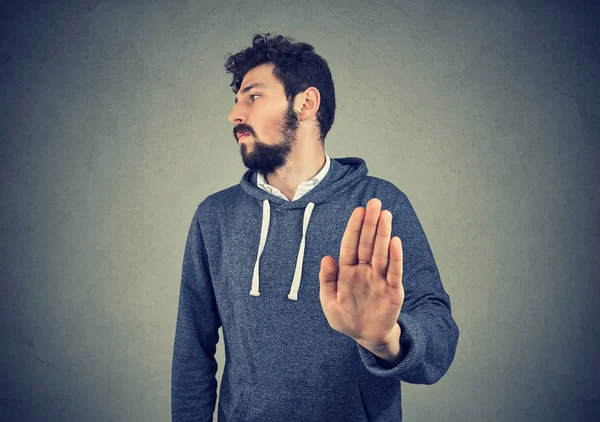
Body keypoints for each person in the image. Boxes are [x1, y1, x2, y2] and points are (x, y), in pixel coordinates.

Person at [171, 33, 459, 422]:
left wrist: (386, 340)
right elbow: (192, 352)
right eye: (236, 99)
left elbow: (438, 336)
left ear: (306, 103)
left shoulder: (380, 204)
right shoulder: (215, 216)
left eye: (253, 96)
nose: (235, 114)